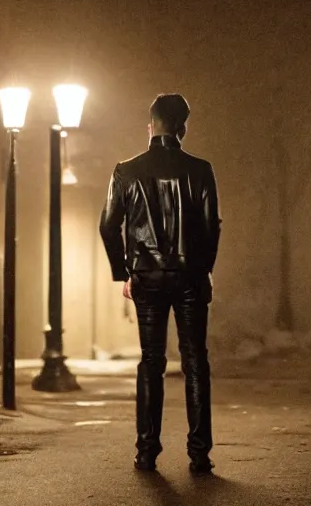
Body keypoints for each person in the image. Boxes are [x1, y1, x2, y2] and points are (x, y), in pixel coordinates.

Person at [99, 94, 221, 474]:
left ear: (150, 126)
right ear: (183, 127)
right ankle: (199, 453)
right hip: (189, 276)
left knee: (151, 361)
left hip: (146, 275)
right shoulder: (200, 170)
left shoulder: (126, 171)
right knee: (195, 360)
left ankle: (146, 451)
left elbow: (108, 225)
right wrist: (204, 270)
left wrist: (124, 272)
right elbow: (210, 226)